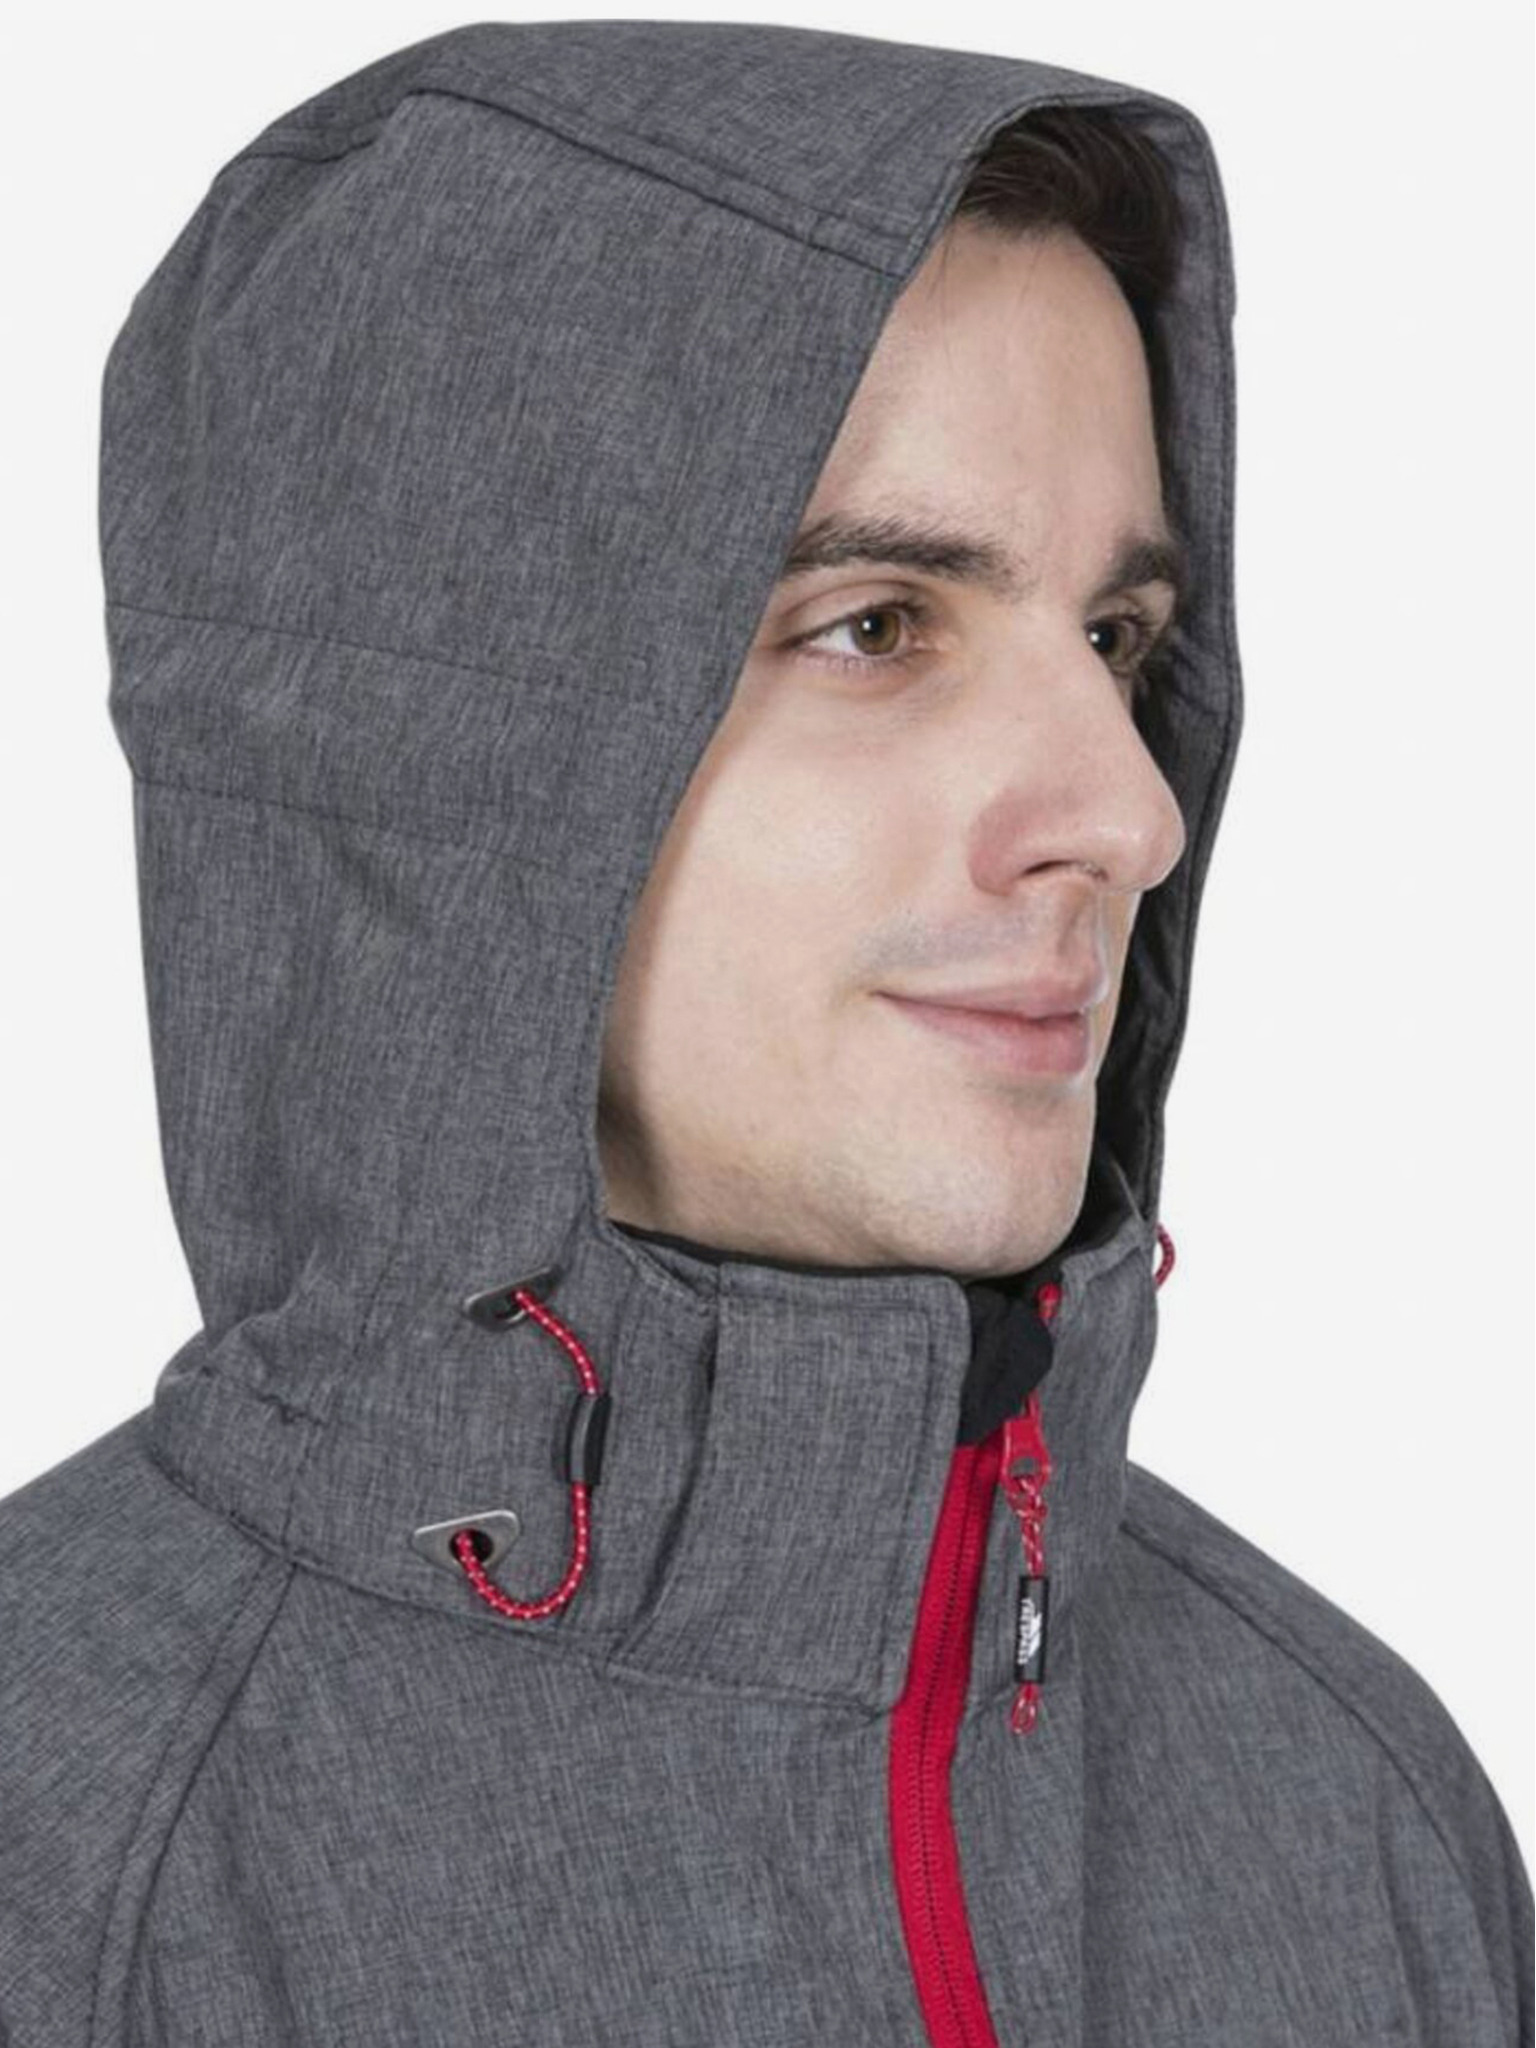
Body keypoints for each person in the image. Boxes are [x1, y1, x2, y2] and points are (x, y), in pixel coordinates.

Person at [0, 19, 1529, 2047]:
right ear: (421, 760)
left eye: (1115, 639)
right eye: (876, 624)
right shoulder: (62, 1866)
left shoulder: (1352, 1806)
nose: (1129, 814)